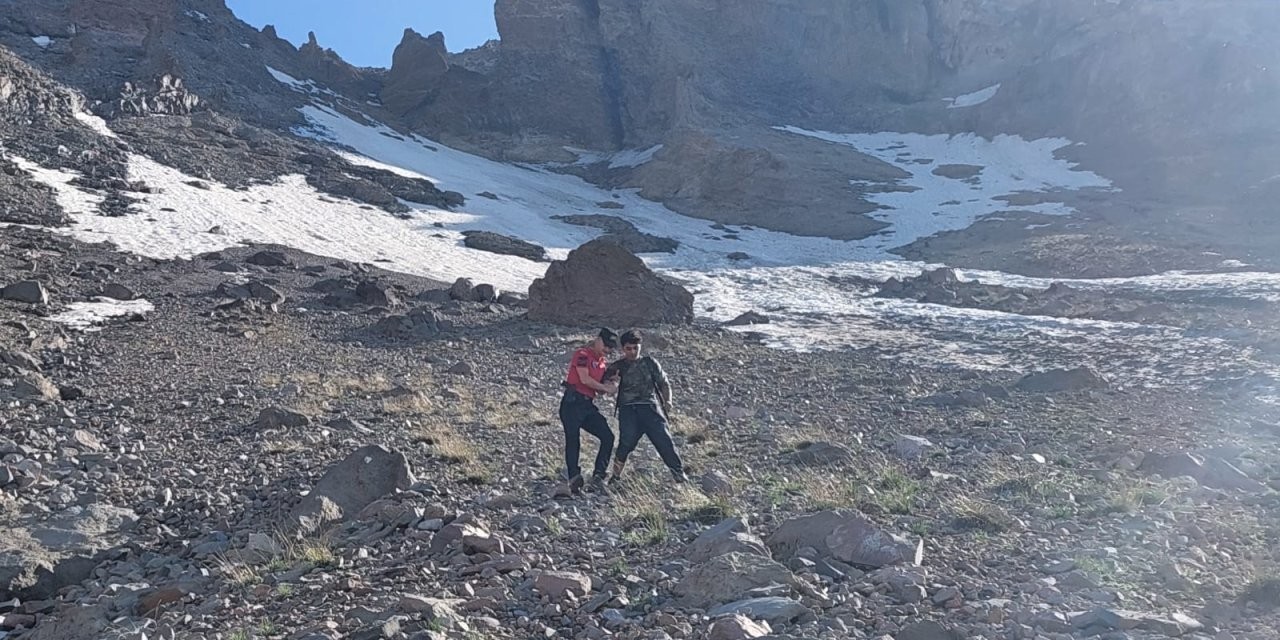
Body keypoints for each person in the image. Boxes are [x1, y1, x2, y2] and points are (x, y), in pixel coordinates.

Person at [604, 329, 688, 484]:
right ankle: (615, 476)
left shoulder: (650, 363)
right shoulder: (617, 367)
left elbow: (664, 384)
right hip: (628, 409)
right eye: (628, 348)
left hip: (650, 407)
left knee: (664, 440)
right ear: (623, 349)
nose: (632, 352)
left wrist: (668, 401)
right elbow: (607, 388)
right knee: (626, 443)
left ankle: (678, 473)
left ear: (640, 347)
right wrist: (612, 383)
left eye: (635, 348)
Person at [559, 328, 620, 493]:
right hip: (572, 402)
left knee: (607, 436)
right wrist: (606, 388)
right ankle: (574, 478)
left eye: (610, 348)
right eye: (605, 345)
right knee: (573, 440)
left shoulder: (601, 362)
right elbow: (584, 379)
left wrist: (610, 384)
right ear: (598, 340)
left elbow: (597, 388)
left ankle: (598, 476)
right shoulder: (583, 354)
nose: (607, 350)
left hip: (587, 405)